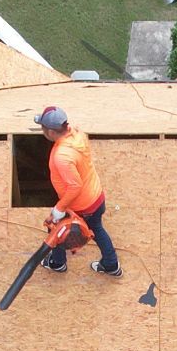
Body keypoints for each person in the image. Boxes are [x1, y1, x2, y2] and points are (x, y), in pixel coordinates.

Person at [36, 105, 120, 276]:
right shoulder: (77, 134)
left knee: (57, 229)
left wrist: (59, 209)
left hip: (81, 205)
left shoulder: (62, 156)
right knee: (97, 228)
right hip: (95, 196)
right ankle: (111, 265)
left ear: (51, 132)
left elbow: (75, 186)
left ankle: (57, 263)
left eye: (43, 128)